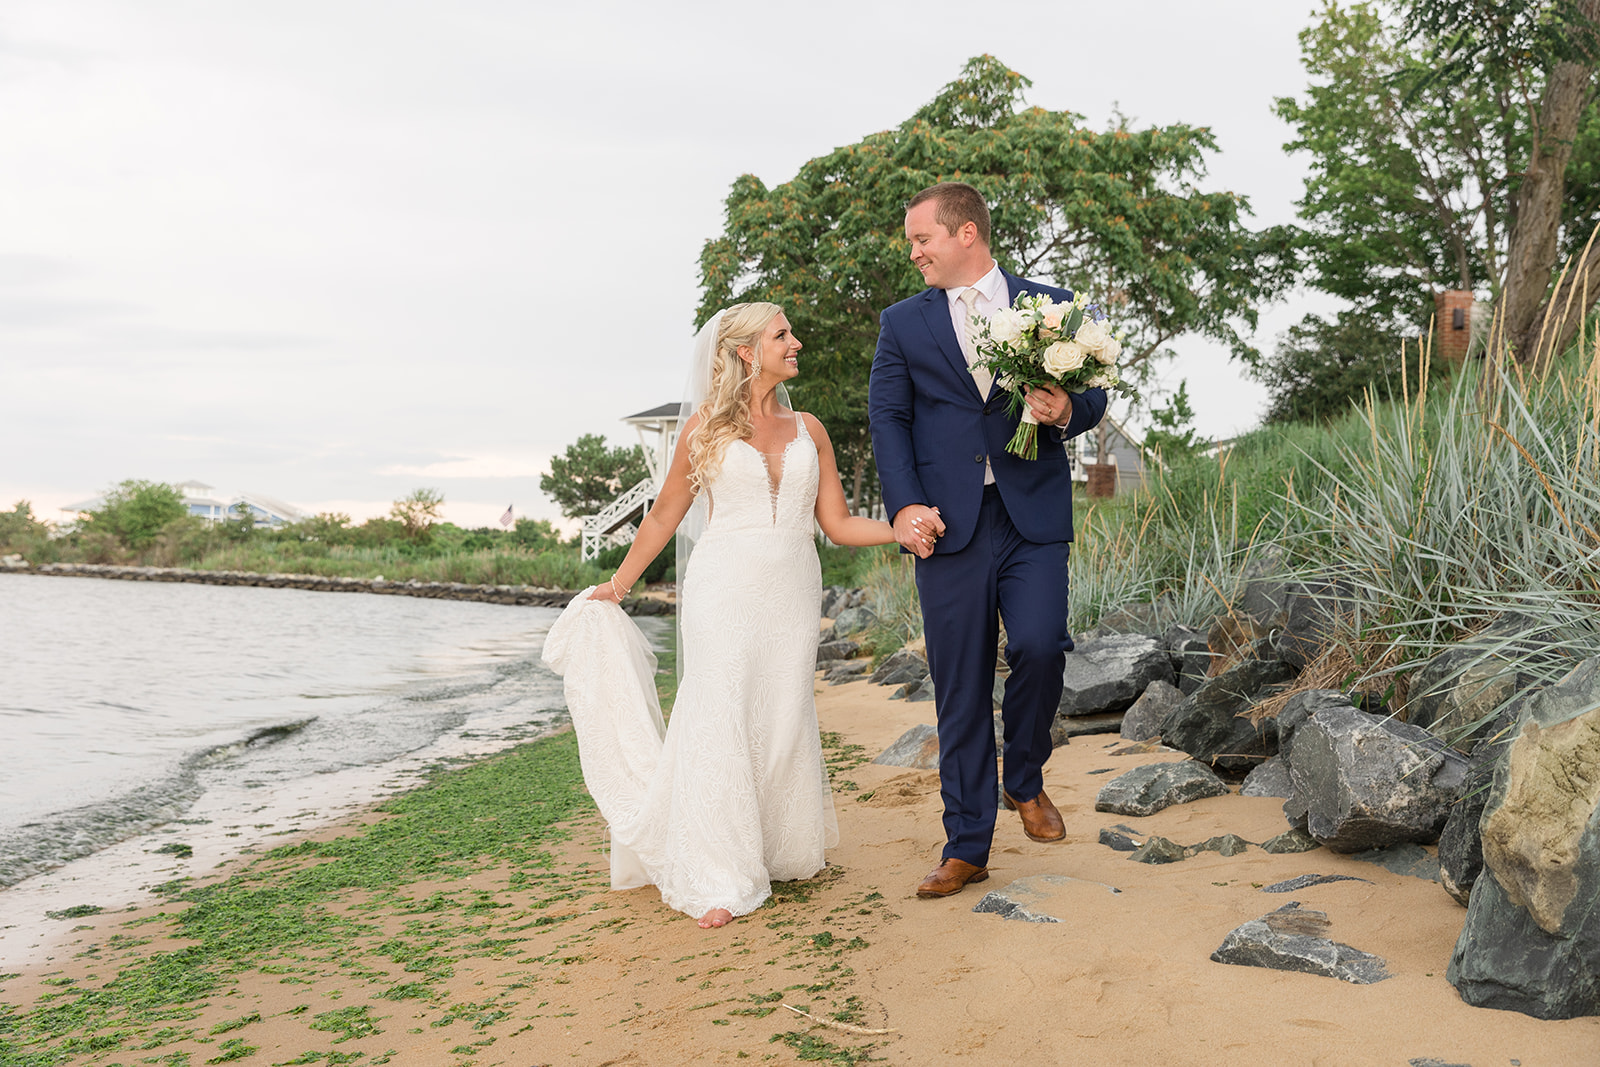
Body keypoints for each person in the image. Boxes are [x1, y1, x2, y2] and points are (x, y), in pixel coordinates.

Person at [542, 302, 904, 930]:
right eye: (782, 335)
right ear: (744, 351)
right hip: (722, 592)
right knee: (719, 711)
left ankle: (774, 847)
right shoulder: (703, 428)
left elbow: (838, 525)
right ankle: (718, 871)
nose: (796, 343)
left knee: (782, 711)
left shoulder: (810, 429)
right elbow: (662, 516)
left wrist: (899, 530)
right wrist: (619, 586)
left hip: (791, 593)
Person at [868, 182, 1108, 899]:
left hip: (1031, 514)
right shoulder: (901, 324)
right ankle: (966, 843)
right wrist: (906, 506)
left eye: (922, 239)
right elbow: (889, 418)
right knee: (960, 684)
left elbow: (1094, 392)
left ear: (966, 233)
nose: (914, 253)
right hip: (946, 526)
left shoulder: (1052, 304)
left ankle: (1024, 777)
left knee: (1041, 645)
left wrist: (1069, 407)